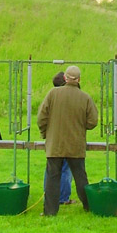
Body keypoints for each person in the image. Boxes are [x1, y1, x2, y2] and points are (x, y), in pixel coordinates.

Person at [37, 64, 98, 216]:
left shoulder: (52, 94)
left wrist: (46, 133)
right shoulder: (85, 98)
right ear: (79, 79)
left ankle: (50, 211)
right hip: (76, 144)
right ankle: (88, 206)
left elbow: (41, 118)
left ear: (65, 78)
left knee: (52, 177)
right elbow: (93, 121)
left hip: (55, 144)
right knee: (80, 177)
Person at [42, 71, 74, 205]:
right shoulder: (67, 98)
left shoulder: (50, 97)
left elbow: (42, 117)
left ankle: (49, 195)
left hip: (53, 140)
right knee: (66, 168)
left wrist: (45, 134)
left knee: (51, 169)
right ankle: (63, 198)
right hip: (66, 139)